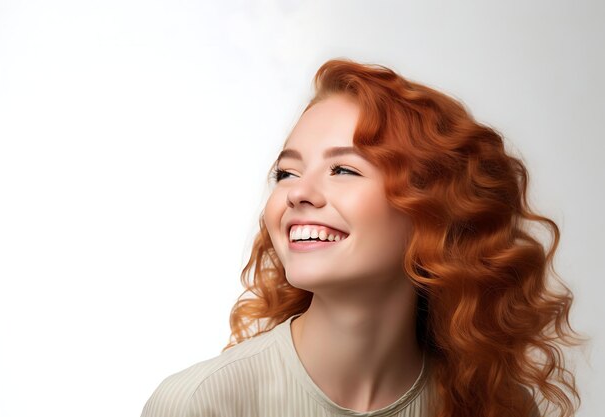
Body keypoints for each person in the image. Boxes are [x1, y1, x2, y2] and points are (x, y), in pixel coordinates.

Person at [140, 59, 582, 417]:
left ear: (431, 209)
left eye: (344, 170)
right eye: (286, 173)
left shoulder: (499, 407)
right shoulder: (200, 404)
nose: (298, 193)